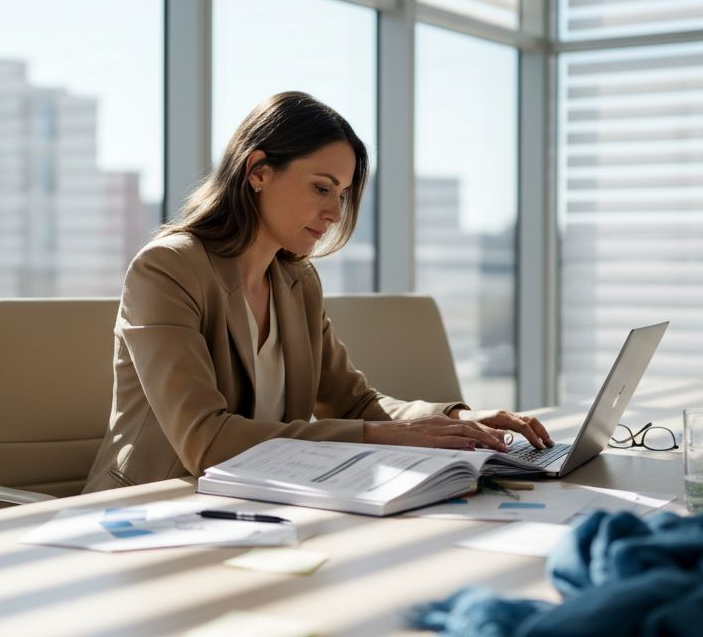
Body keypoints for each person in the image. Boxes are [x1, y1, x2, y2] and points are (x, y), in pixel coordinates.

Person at [83, 91, 553, 493]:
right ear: (259, 171)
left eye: (342, 194)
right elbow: (204, 441)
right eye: (321, 188)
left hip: (258, 500)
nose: (333, 212)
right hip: (155, 509)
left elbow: (354, 403)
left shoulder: (295, 280)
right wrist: (386, 437)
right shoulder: (167, 268)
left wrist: (457, 420)